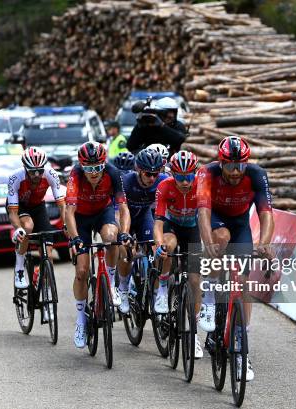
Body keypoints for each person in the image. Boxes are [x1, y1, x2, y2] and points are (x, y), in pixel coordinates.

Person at [197, 135, 275, 381]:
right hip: (216, 221)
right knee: (221, 237)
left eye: (240, 165)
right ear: (221, 164)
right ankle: (209, 297)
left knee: (242, 286)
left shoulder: (256, 175)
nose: (235, 171)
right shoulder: (207, 174)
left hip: (241, 224)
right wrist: (208, 244)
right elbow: (202, 213)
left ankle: (242, 348)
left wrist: (264, 244)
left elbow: (266, 214)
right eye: (229, 166)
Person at [65, 142, 133, 348]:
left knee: (111, 237)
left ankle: (111, 283)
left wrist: (125, 233)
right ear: (81, 166)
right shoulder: (75, 175)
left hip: (102, 213)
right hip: (81, 219)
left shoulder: (112, 172)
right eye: (88, 168)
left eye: (97, 168)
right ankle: (81, 319)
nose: (93, 173)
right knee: (82, 272)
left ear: (104, 164)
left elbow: (123, 207)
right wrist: (75, 237)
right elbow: (69, 211)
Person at [153, 150, 204, 358]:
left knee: (194, 280)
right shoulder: (164, 186)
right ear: (172, 174)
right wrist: (158, 245)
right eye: (180, 177)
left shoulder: (202, 186)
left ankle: (194, 333)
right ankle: (163, 287)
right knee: (169, 245)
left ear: (195, 173)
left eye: (189, 176)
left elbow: (208, 218)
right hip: (172, 226)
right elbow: (158, 223)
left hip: (193, 229)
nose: (185, 182)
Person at [116, 148, 168, 314]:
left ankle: (154, 292)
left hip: (144, 216)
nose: (152, 178)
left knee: (156, 250)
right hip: (127, 217)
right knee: (126, 251)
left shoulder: (163, 180)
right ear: (138, 169)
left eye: (156, 173)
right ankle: (123, 288)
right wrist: (124, 233)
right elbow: (119, 211)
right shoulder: (126, 181)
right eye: (147, 174)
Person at [7, 147, 65, 290]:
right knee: (27, 226)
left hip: (38, 206)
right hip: (19, 207)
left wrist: (67, 224)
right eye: (33, 171)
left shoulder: (51, 174)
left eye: (40, 170)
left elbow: (62, 206)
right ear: (25, 168)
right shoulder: (15, 178)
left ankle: (41, 278)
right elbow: (13, 212)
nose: (37, 175)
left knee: (48, 253)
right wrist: (18, 229)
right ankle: (19, 269)